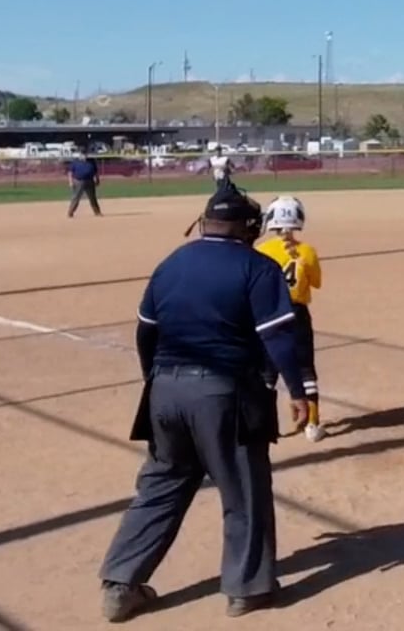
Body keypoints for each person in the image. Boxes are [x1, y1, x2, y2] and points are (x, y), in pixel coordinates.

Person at [97, 187, 309, 622]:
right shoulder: (257, 267)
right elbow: (278, 336)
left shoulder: (171, 263)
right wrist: (298, 389)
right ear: (248, 228)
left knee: (160, 486)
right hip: (224, 393)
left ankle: (121, 584)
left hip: (165, 390)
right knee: (244, 491)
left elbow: (146, 331)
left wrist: (156, 380)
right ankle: (247, 589)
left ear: (205, 221)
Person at [254, 196, 325, 442]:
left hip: (270, 313)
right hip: (298, 313)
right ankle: (312, 424)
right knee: (306, 368)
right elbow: (316, 282)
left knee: (267, 371)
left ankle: (265, 427)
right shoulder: (307, 251)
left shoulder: (262, 250)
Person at [68, 150, 103, 218]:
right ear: (79, 155)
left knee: (92, 198)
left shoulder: (91, 161)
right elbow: (70, 172)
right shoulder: (75, 162)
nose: (84, 156)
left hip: (90, 181)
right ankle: (70, 212)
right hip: (79, 181)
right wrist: (70, 182)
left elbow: (96, 172)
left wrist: (97, 179)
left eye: (85, 154)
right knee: (76, 197)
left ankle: (97, 212)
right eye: (82, 154)